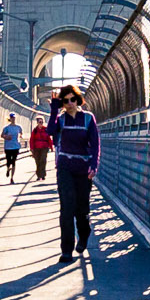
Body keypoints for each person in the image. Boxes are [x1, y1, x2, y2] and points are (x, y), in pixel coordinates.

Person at [49, 83, 99, 262]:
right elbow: (50, 131)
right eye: (66, 100)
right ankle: (66, 250)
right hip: (65, 167)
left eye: (73, 99)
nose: (70, 103)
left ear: (78, 100)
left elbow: (95, 143)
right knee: (67, 209)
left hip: (83, 169)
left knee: (81, 208)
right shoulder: (61, 119)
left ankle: (84, 234)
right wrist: (54, 109)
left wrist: (94, 165)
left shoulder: (88, 118)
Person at [1, 114, 23, 180]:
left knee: (13, 161)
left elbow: (21, 134)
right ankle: (8, 168)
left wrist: (20, 137)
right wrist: (6, 137)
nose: (13, 119)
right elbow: (2, 135)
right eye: (12, 118)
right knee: (8, 161)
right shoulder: (6, 128)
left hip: (16, 146)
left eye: (14, 118)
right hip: (8, 147)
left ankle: (12, 177)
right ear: (10, 119)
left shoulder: (18, 127)